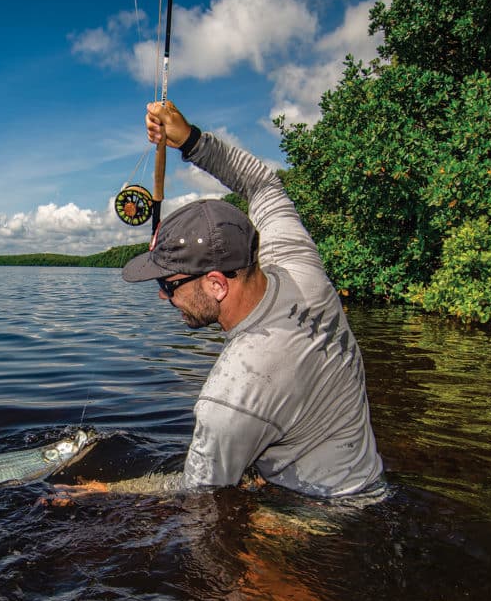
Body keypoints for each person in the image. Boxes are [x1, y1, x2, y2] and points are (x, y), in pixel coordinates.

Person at [120, 101, 382, 497]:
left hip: (320, 517)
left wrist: (107, 492)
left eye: (170, 286)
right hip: (369, 477)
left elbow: (198, 492)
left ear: (215, 284)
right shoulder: (296, 264)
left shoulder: (231, 396)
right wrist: (190, 139)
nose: (162, 296)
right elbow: (263, 183)